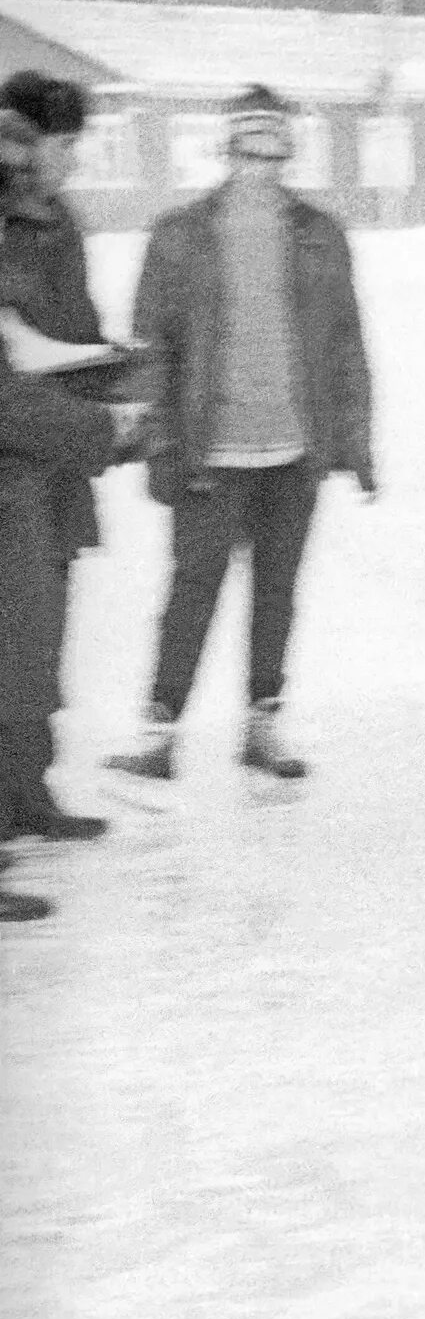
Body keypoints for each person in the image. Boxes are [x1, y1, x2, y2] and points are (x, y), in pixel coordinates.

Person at [104, 86, 376, 787]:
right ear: (228, 151)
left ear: (287, 152)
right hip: (210, 449)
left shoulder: (320, 233)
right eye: (248, 149)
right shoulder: (180, 233)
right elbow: (151, 346)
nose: (261, 163)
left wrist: (355, 440)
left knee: (278, 590)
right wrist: (156, 438)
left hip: (294, 449)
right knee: (192, 589)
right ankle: (158, 733)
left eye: (273, 150)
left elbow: (345, 343)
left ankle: (262, 726)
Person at [0, 75, 141, 844]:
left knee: (40, 635)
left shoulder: (64, 226)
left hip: (49, 469)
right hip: (20, 452)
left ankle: (29, 793)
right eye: (61, 145)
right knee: (9, 638)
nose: (70, 162)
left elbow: (71, 337)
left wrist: (113, 373)